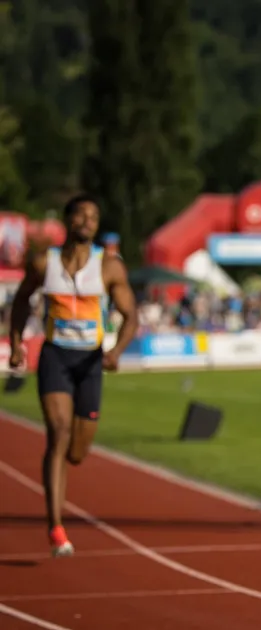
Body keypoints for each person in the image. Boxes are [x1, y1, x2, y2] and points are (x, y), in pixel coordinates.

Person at [6, 194, 139, 558]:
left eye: (93, 216)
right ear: (68, 220)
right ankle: (56, 526)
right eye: (80, 214)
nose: (87, 220)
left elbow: (132, 317)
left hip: (90, 363)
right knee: (58, 432)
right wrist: (17, 343)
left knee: (77, 453)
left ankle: (59, 501)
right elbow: (21, 302)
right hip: (55, 357)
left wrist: (115, 352)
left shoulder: (109, 267)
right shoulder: (43, 263)